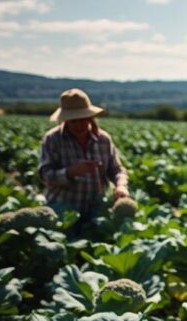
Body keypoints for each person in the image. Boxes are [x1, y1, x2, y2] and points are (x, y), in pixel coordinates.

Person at [38, 88, 130, 229]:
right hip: (62, 211)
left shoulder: (103, 139)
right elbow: (45, 176)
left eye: (83, 119)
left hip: (96, 210)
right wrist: (70, 172)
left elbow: (117, 169)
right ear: (65, 119)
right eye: (73, 121)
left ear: (90, 117)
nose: (79, 125)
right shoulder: (52, 139)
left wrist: (121, 185)